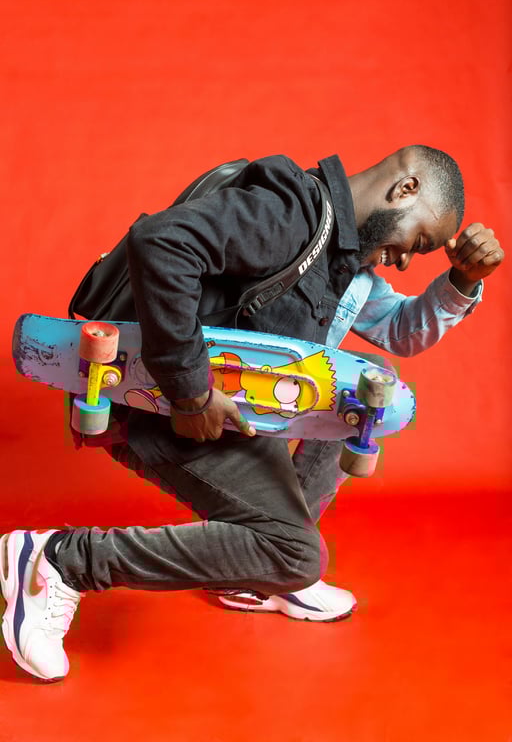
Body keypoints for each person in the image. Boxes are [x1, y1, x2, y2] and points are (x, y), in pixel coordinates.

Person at [1, 146, 504, 682]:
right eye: (417, 242)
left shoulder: (348, 269)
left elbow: (403, 332)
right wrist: (190, 391)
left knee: (353, 391)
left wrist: (463, 283)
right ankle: (57, 560)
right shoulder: (292, 213)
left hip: (233, 414)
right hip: (156, 403)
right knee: (296, 554)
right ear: (405, 190)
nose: (405, 260)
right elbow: (161, 243)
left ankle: (251, 576)